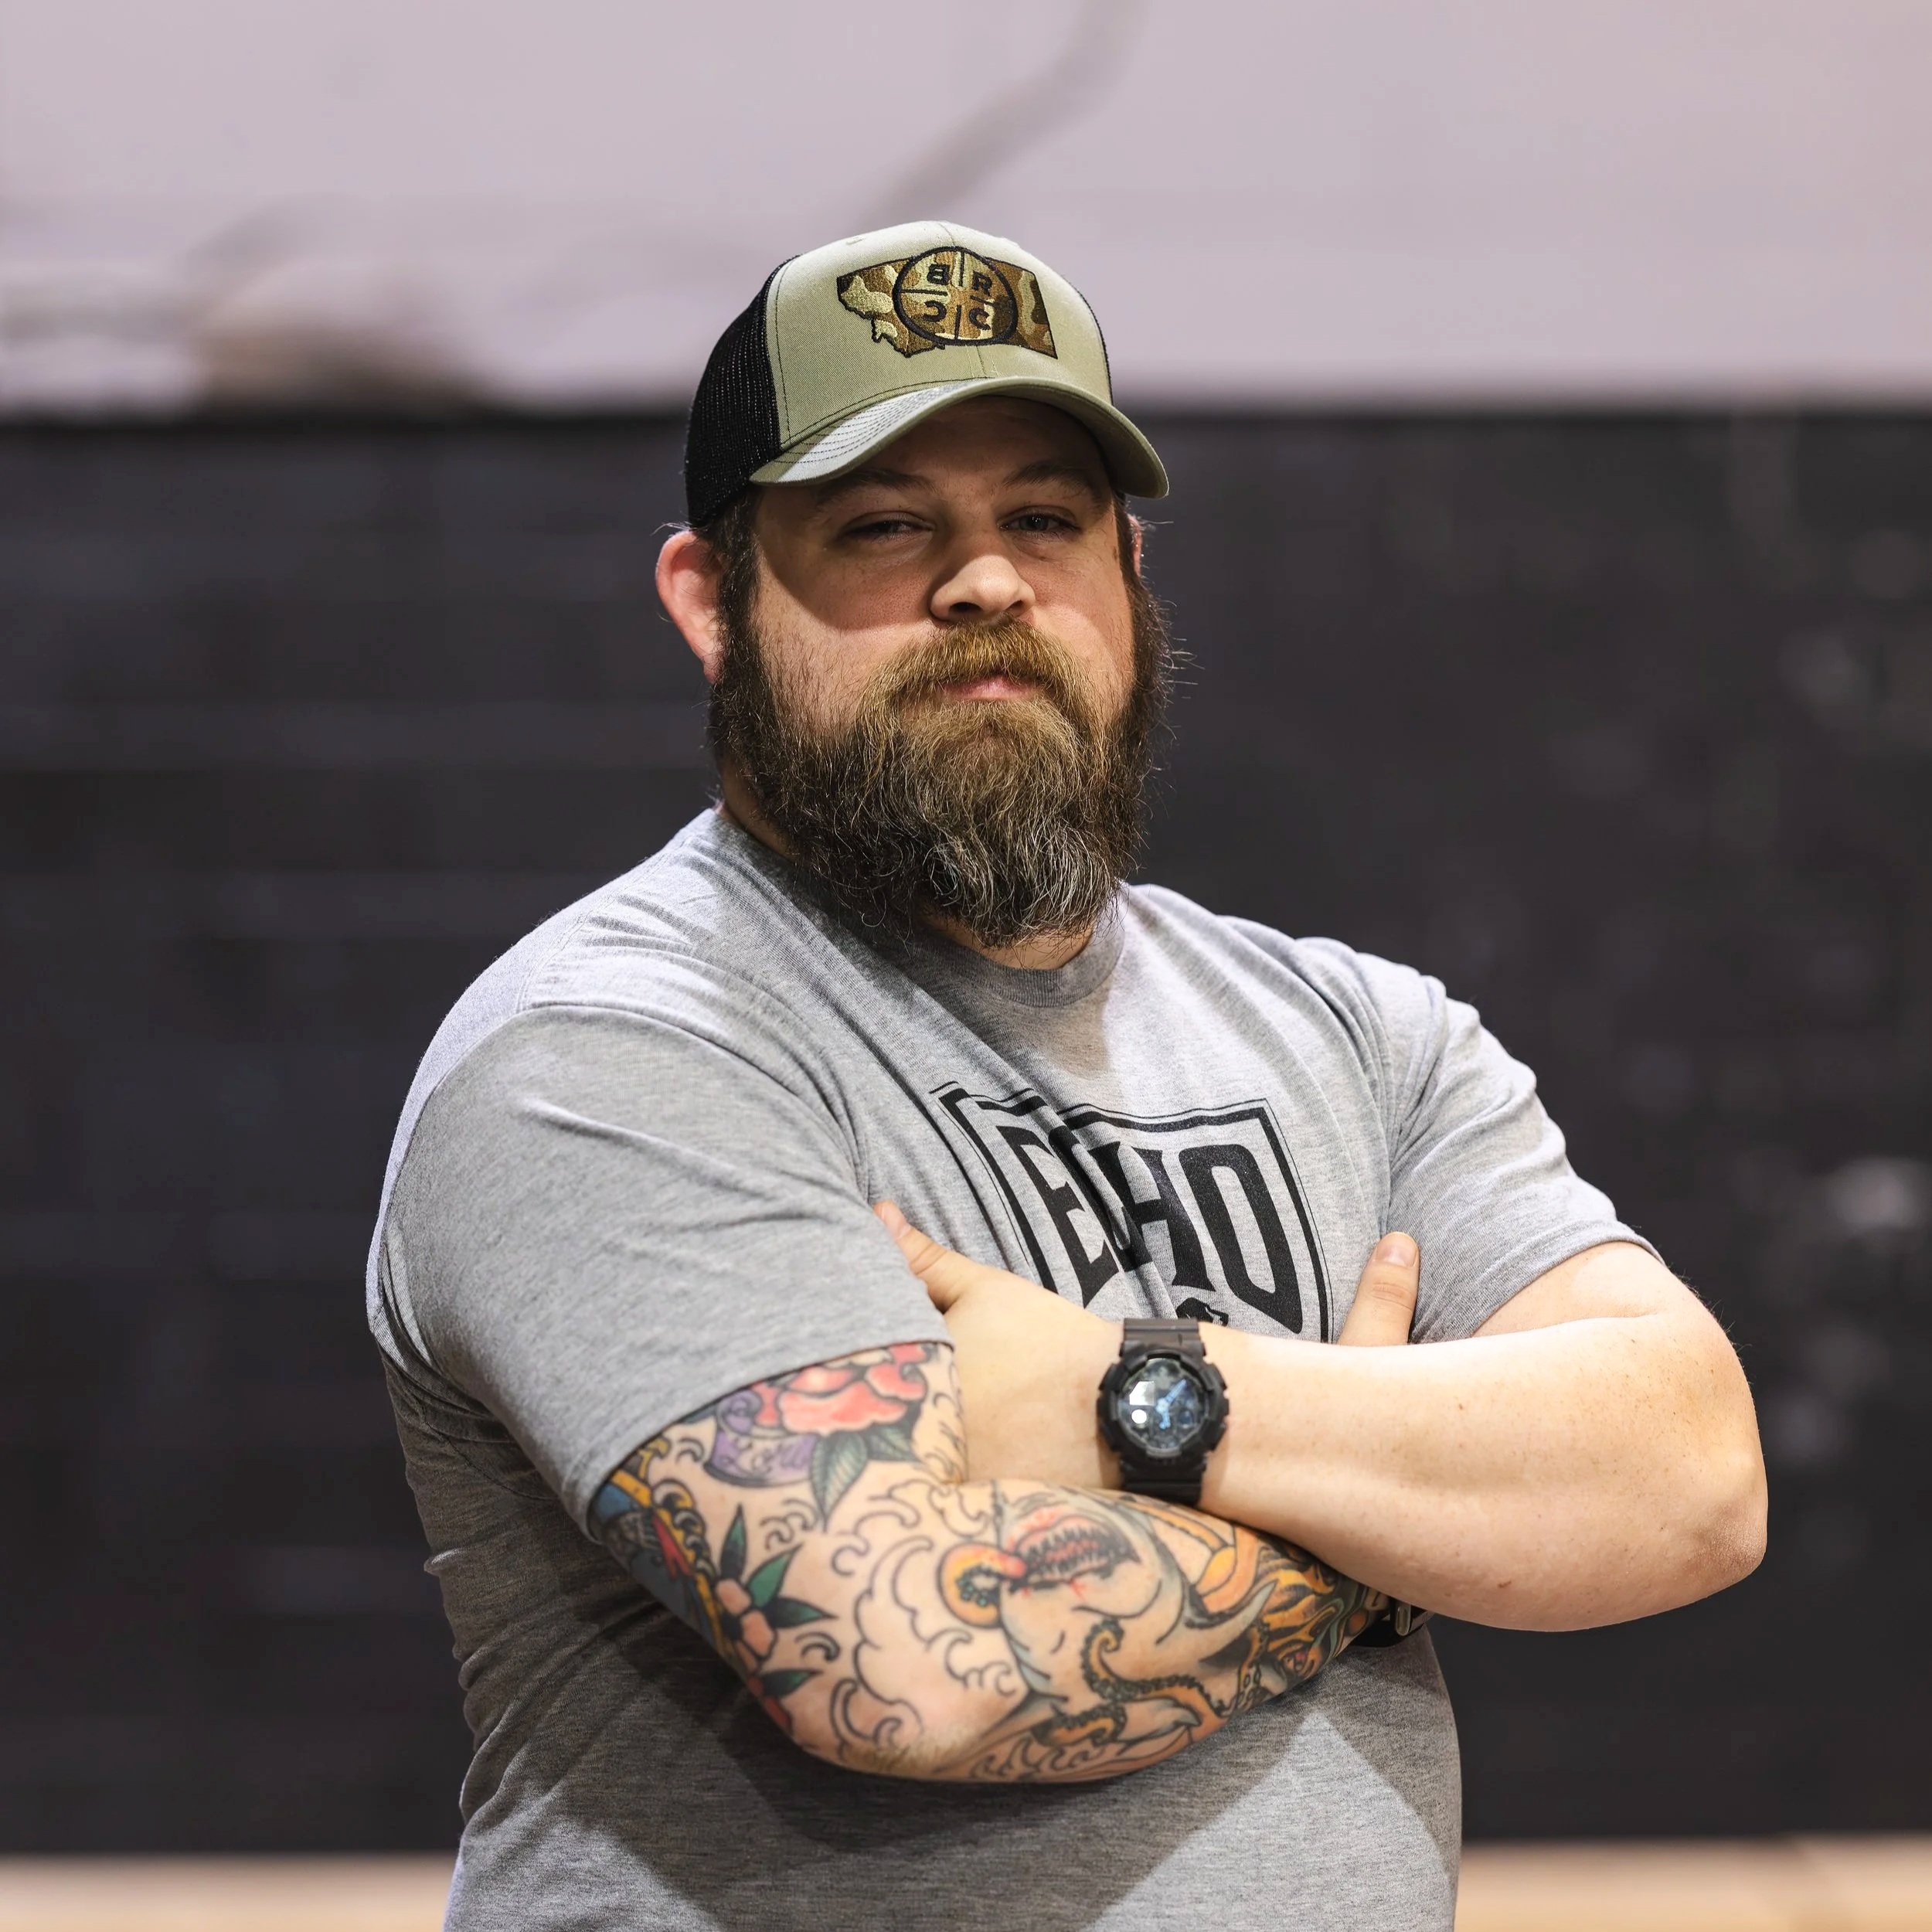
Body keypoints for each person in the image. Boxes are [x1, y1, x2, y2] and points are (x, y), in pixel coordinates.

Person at [367, 220, 1766, 1932]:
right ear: (706, 602)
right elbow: (908, 1663)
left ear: (1123, 581)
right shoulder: (611, 1048)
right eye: (885, 526)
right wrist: (1398, 1506)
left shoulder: (1350, 1032)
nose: (984, 583)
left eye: (1045, 519)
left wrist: (1136, 1395)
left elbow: (1688, 1476)